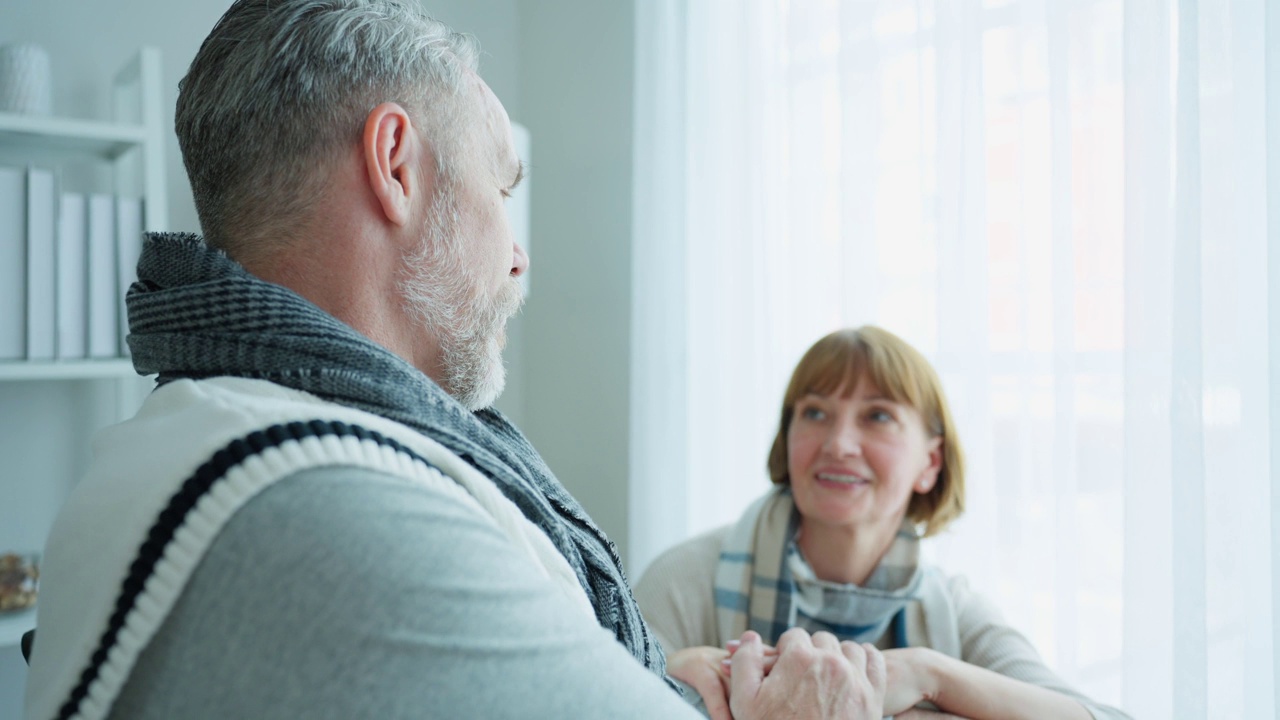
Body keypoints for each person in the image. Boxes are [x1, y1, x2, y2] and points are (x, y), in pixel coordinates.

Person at [21, 2, 890, 719]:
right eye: (500, 187)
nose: (519, 257)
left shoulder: (197, 430)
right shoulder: (327, 506)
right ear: (395, 164)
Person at [635, 326, 1134, 720]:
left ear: (929, 464)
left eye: (877, 417)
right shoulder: (685, 581)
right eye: (814, 413)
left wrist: (927, 672)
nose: (838, 443)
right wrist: (657, 678)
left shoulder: (953, 612)